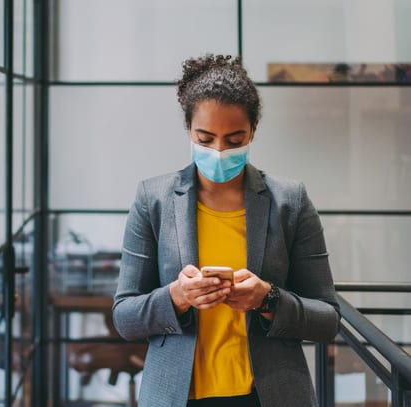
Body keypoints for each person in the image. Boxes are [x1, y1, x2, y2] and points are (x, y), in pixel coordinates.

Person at [112, 53, 340, 407]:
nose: (219, 151)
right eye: (205, 138)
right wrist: (177, 297)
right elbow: (125, 318)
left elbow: (327, 320)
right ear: (189, 130)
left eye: (235, 140)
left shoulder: (290, 202)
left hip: (268, 396)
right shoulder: (153, 200)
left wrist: (268, 299)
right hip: (177, 396)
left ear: (253, 131)